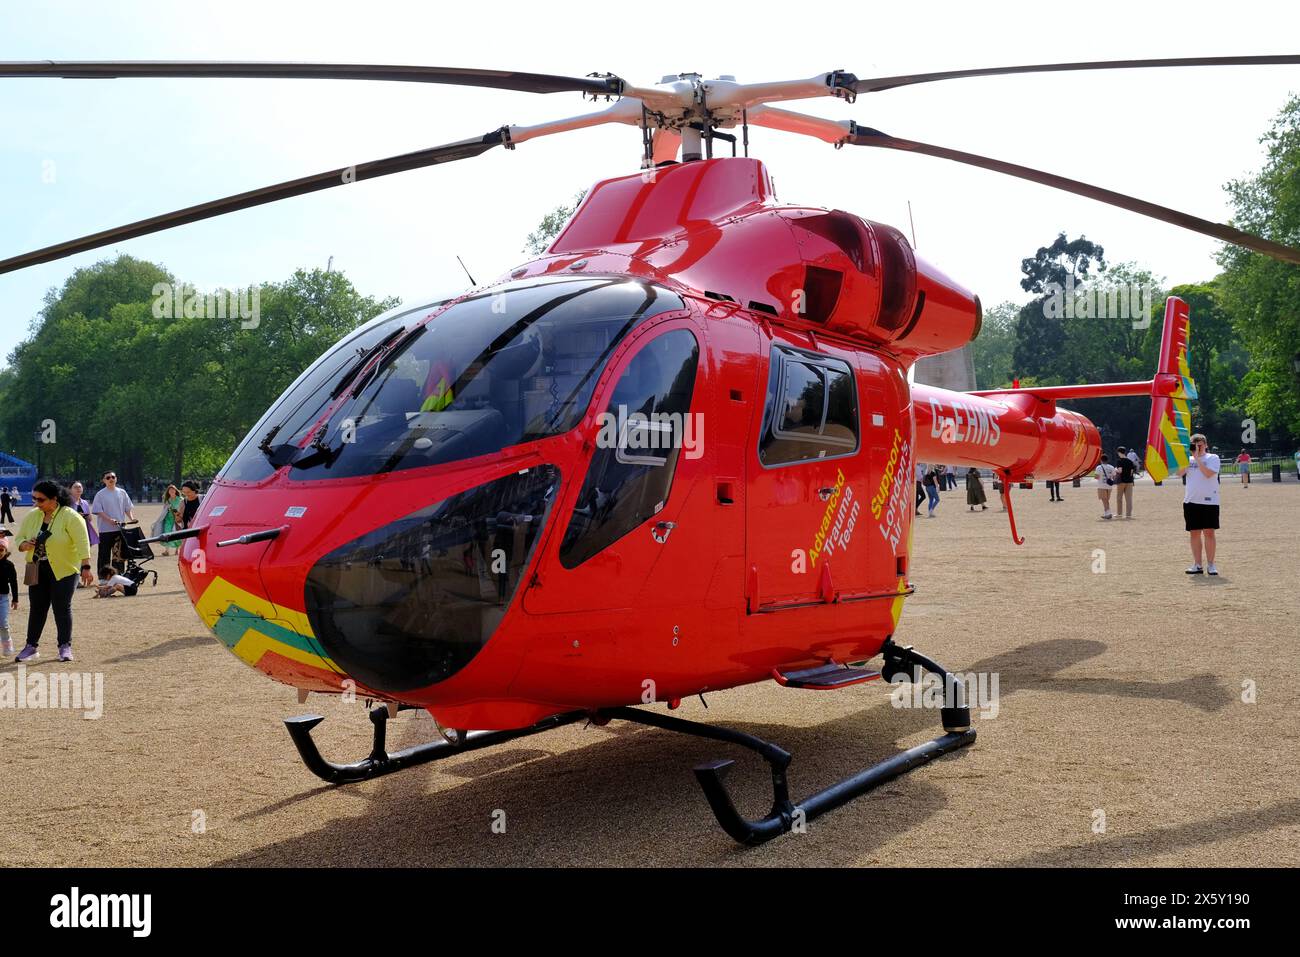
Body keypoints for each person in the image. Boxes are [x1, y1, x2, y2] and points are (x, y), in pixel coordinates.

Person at [14, 480, 93, 662]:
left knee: (61, 608)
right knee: (37, 608)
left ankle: (64, 647)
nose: (36, 503)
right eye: (34, 498)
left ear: (54, 499)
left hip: (64, 569)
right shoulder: (32, 516)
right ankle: (31, 646)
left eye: (40, 500)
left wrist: (86, 567)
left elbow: (82, 542)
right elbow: (19, 539)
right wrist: (25, 545)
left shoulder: (71, 516)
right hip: (37, 568)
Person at [1179, 433, 1221, 575]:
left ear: (1206, 444)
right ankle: (1197, 564)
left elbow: (1208, 473)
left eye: (1200, 444)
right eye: (1194, 444)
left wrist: (1197, 457)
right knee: (1194, 533)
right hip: (1191, 501)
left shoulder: (1213, 458)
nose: (1197, 447)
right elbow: (1179, 473)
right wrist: (1185, 457)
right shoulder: (1188, 459)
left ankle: (1211, 564)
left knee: (1209, 532)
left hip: (1210, 501)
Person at [91, 469, 136, 574]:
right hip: (105, 530)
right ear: (104, 480)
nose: (111, 479)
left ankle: (118, 575)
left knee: (119, 554)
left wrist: (131, 518)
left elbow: (127, 508)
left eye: (113, 477)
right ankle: (103, 578)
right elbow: (98, 511)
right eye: (108, 478)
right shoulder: (100, 494)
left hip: (120, 529)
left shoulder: (122, 492)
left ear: (116, 479)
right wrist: (109, 519)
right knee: (104, 555)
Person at [68, 480, 99, 586]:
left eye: (80, 487)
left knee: (84, 555)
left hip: (85, 530)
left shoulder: (84, 502)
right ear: (70, 489)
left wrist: (85, 515)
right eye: (75, 487)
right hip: (72, 532)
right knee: (74, 556)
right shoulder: (67, 502)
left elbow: (90, 518)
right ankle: (74, 580)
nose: (78, 489)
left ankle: (82, 577)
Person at [151, 484, 183, 555]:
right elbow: (164, 510)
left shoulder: (180, 499)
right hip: (168, 519)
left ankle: (177, 549)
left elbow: (182, 510)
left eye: (173, 489)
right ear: (168, 492)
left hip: (177, 519)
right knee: (167, 533)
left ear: (176, 491)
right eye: (170, 490)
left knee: (177, 533)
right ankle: (167, 550)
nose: (171, 491)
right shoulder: (167, 500)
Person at [0, 538, 17, 657]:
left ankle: (7, 644)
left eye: (1, 549)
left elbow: (13, 582)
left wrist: (15, 598)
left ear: (6, 550)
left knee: (3, 624)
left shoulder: (9, 565)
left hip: (3, 598)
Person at [1113, 447, 1137, 519]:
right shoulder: (1130, 461)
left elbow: (1120, 471)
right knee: (1129, 499)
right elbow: (1131, 472)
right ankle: (1128, 514)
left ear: (1119, 452)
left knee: (1119, 498)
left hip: (1121, 481)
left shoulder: (1119, 461)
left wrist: (1115, 469)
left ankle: (1119, 514)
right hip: (1129, 481)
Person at [1095, 453, 1116, 520]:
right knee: (1106, 500)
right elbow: (1114, 476)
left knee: (1104, 500)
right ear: (1107, 460)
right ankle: (1107, 513)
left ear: (1101, 460)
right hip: (1109, 486)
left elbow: (1096, 477)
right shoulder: (1111, 467)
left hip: (1101, 485)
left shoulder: (1099, 467)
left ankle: (1108, 514)